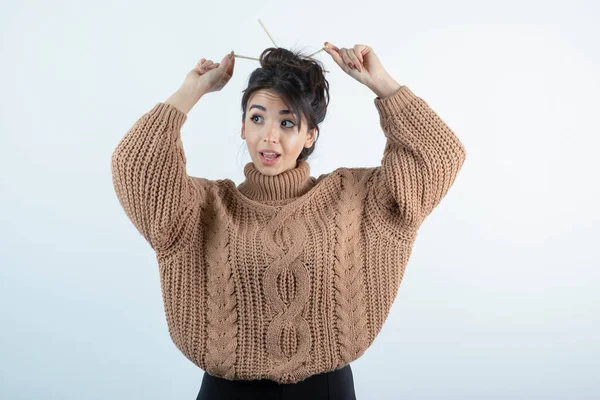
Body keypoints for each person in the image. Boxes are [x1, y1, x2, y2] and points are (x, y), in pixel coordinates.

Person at [111, 42, 467, 399]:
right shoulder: (202, 207)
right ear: (242, 128)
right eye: (257, 117)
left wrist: (383, 85)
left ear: (310, 135)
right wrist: (190, 92)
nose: (269, 135)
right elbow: (134, 164)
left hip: (325, 390)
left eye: (286, 122)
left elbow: (439, 155)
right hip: (226, 393)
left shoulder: (354, 197)